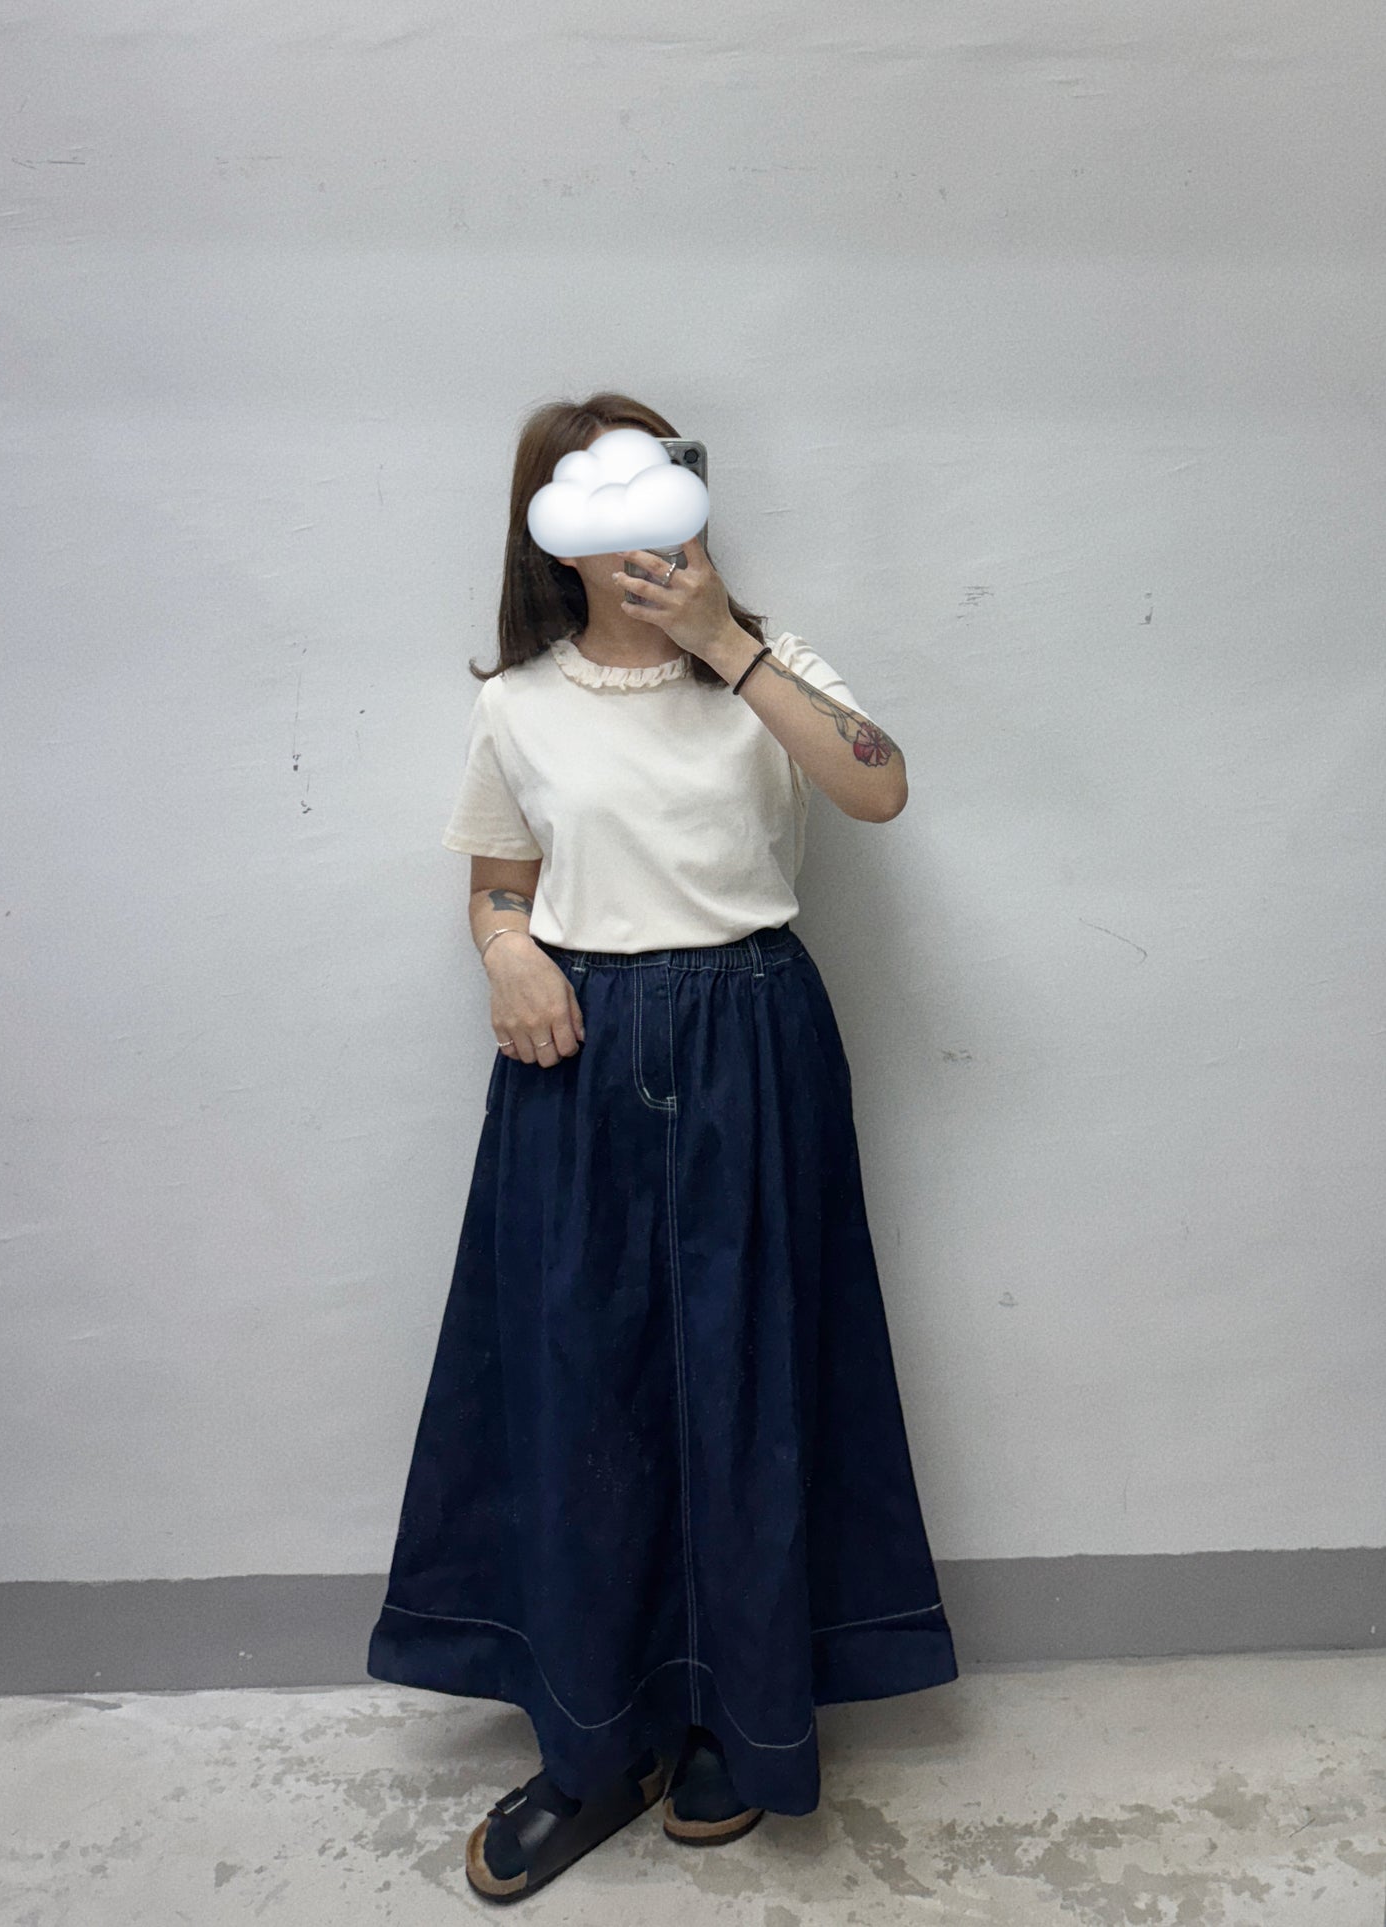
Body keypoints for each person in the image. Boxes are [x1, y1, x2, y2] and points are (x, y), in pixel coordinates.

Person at [366, 392, 959, 1902]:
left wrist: (728, 645)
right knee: (581, 1392)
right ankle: (591, 1745)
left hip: (753, 1036)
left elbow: (878, 785)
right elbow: (500, 880)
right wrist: (506, 950)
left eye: (660, 487)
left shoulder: (770, 668)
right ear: (550, 530)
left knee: (752, 1380)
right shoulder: (518, 705)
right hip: (579, 1055)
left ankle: (733, 1718)